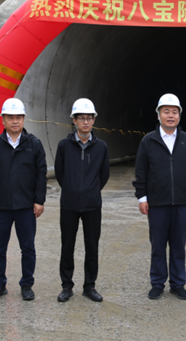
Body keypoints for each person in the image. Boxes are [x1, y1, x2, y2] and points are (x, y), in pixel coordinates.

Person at [133, 94, 186, 300]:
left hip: (182, 203)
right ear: (158, 115)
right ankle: (157, 283)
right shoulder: (148, 141)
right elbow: (141, 172)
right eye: (166, 111)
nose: (170, 115)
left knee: (178, 246)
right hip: (157, 204)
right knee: (157, 246)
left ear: (179, 115)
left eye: (174, 112)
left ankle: (177, 283)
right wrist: (142, 198)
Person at [0, 98, 47, 301]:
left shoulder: (34, 144)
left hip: (26, 207)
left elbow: (41, 174)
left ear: (24, 119)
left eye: (18, 117)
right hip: (1, 207)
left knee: (28, 248)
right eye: (10, 117)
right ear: (3, 120)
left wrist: (39, 200)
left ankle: (27, 284)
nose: (15, 121)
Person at [55, 98, 110, 303]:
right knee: (67, 246)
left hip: (92, 205)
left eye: (89, 118)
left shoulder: (101, 147)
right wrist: (71, 189)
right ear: (74, 120)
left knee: (92, 247)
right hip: (69, 205)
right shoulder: (64, 146)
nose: (85, 122)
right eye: (81, 118)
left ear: (94, 120)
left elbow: (104, 174)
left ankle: (89, 286)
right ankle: (66, 286)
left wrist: (91, 191)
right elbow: (59, 173)